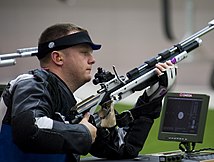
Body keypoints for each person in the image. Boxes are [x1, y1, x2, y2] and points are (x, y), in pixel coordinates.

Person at [0, 23, 177, 162]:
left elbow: (123, 147)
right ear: (58, 58)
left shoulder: (75, 105)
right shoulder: (30, 83)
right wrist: (82, 132)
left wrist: (152, 97)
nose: (92, 60)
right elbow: (31, 128)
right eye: (84, 52)